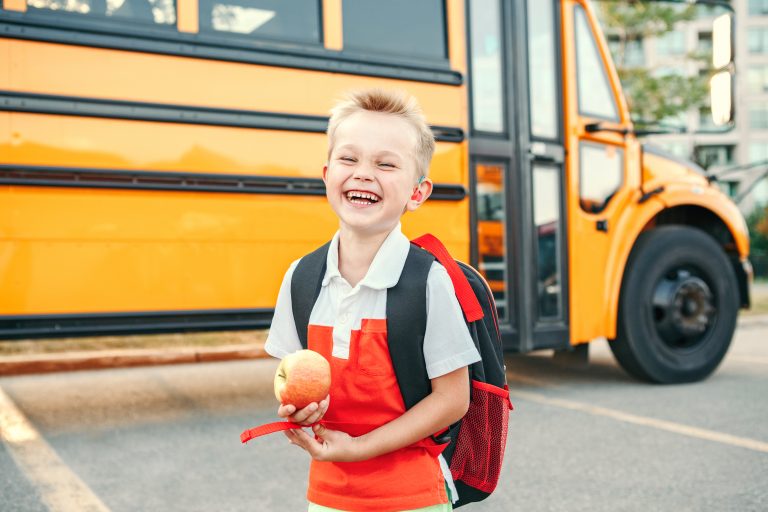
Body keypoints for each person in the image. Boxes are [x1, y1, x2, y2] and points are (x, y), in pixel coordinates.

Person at [264, 89, 481, 512]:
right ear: (327, 174)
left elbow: (454, 399)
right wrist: (301, 409)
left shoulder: (428, 281)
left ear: (417, 193)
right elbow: (289, 373)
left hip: (413, 497)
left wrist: (360, 448)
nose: (363, 173)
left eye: (385, 164)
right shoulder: (301, 279)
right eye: (349, 159)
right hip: (328, 496)